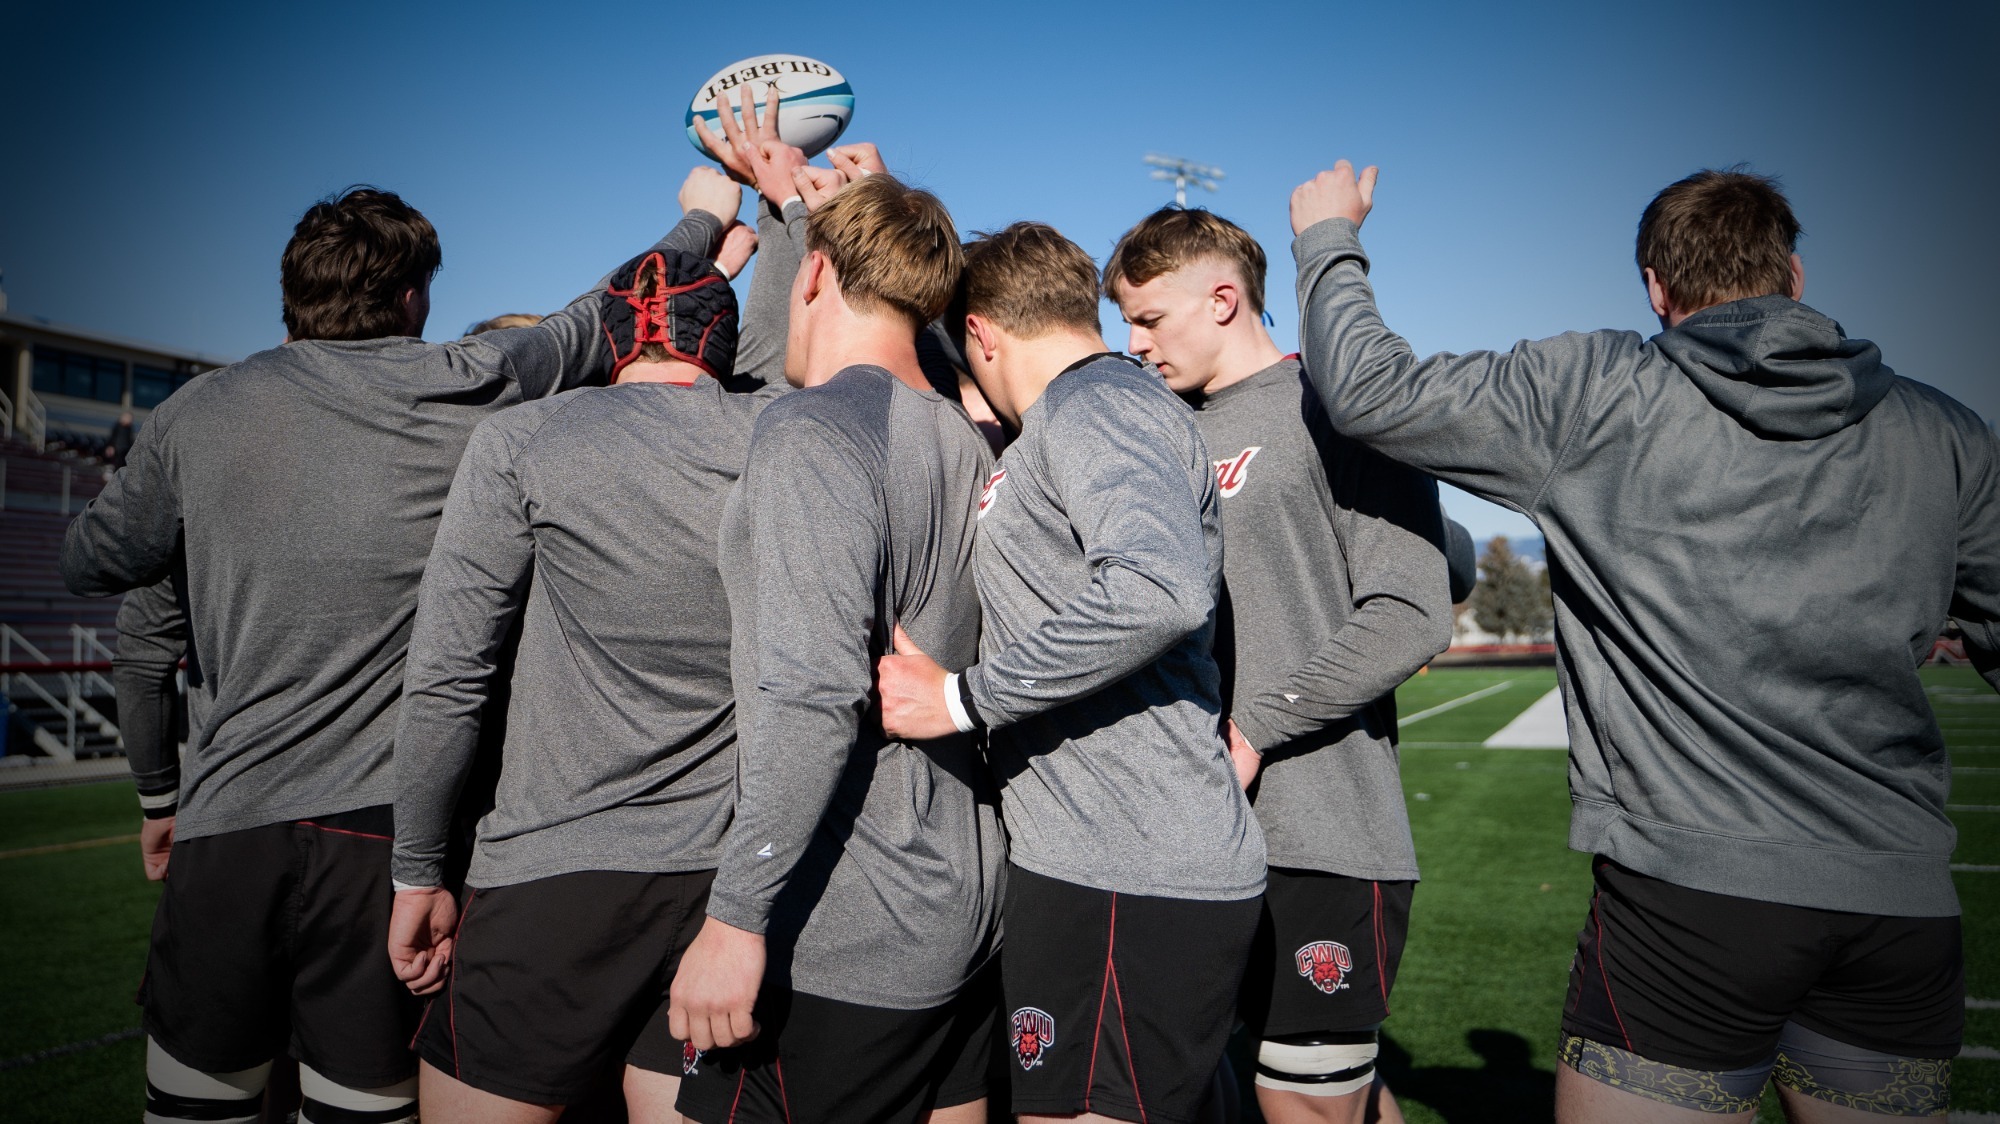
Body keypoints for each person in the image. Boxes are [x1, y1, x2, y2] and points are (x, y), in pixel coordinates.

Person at [1288, 162, 2000, 1123]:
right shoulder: (1948, 433)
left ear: (1657, 290)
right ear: (1794, 275)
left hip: (1691, 899)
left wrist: (1330, 237)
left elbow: (1369, 391)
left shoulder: (1597, 389)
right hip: (1903, 903)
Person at [58, 168, 744, 1124]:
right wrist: (706, 218)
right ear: (415, 295)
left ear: (289, 293)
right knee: (362, 1109)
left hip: (228, 826)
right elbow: (604, 313)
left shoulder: (197, 412)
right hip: (379, 839)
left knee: (192, 1109)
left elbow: (91, 560)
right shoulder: (469, 384)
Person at [879, 220, 1267, 1124]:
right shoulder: (1069, 415)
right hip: (1097, 864)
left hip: (1133, 868)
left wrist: (960, 699)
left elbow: (1157, 590)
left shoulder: (1099, 406)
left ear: (981, 335)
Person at [388, 246, 759, 1124]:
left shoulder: (526, 436)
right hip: (729, 883)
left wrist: (416, 870)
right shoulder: (782, 432)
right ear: (721, 341)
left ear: (608, 338)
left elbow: (448, 675)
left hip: (556, 869)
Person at [667, 165, 1005, 1124]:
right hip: (963, 898)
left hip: (853, 917)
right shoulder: (968, 441)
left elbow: (813, 696)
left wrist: (735, 917)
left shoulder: (813, 431)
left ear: (811, 275)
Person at [1105, 205, 1455, 1124]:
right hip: (1192, 841)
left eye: (1148, 319)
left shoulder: (1338, 409)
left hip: (1322, 833)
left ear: (1223, 299)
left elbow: (1412, 612)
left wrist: (1255, 727)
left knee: (1302, 1105)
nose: (1133, 343)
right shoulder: (1158, 429)